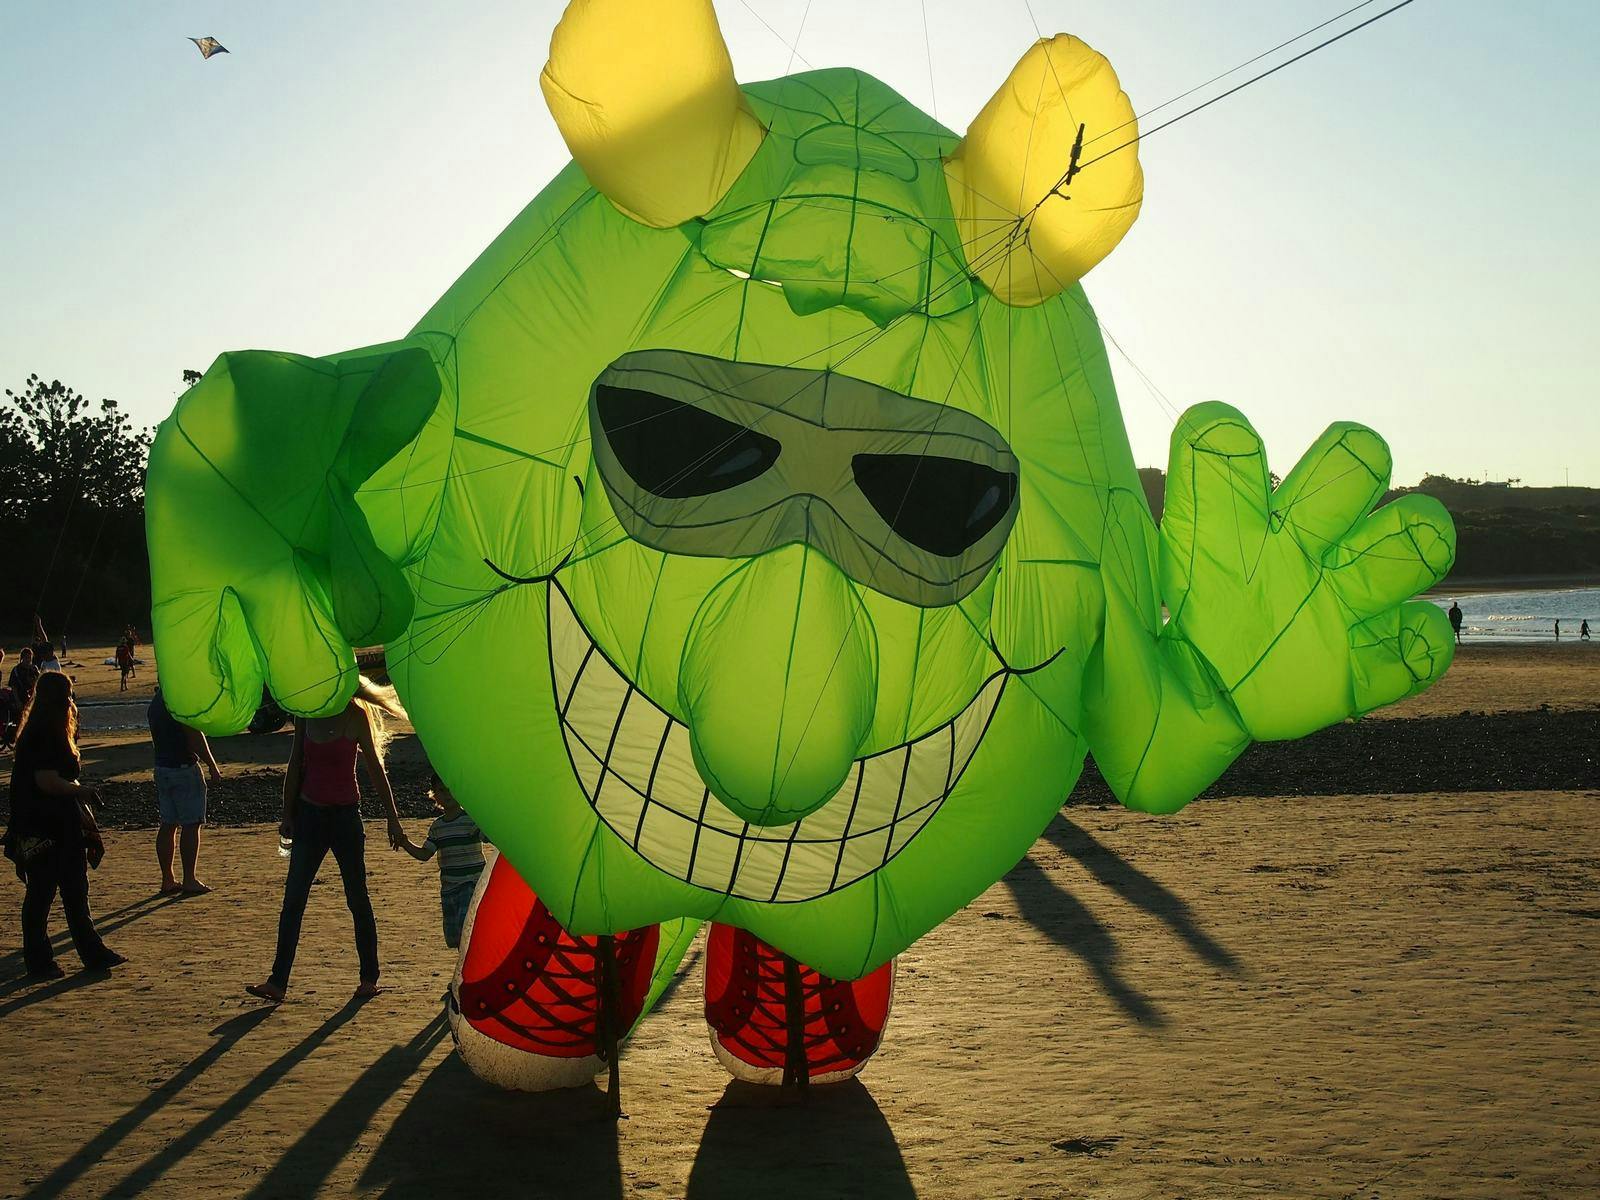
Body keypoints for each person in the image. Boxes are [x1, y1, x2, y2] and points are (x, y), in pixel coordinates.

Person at [247, 678, 406, 1003]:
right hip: (309, 817)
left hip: (345, 819)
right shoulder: (306, 715)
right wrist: (287, 814)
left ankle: (368, 978)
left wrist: (393, 817)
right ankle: (277, 982)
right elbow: (295, 764)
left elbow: (376, 768)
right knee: (294, 900)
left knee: (357, 898)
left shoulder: (355, 717)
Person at [2, 671, 124, 977]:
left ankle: (92, 952)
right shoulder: (42, 735)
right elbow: (47, 781)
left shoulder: (51, 730)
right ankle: (39, 961)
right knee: (42, 893)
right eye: (68, 695)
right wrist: (83, 791)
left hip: (60, 824)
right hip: (41, 826)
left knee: (74, 889)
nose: (72, 700)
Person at [396, 771, 486, 948]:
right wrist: (405, 843)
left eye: (450, 789)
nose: (447, 795)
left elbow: (489, 837)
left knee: (467, 931)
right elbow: (425, 854)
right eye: (441, 791)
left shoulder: (470, 820)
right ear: (435, 795)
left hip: (471, 884)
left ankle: (469, 970)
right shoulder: (438, 827)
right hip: (449, 888)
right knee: (454, 939)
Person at [147, 686, 223, 896]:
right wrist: (212, 765)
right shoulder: (178, 701)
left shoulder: (156, 703)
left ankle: (168, 879)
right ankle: (189, 879)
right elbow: (194, 737)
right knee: (191, 824)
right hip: (183, 769)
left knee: (169, 823)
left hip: (162, 768)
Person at [5, 648, 40, 749]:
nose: (28, 660)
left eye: (30, 658)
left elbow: (37, 684)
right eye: (26, 658)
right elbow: (14, 688)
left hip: (31, 699)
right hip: (19, 698)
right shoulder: (16, 670)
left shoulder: (33, 669)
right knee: (20, 719)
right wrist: (18, 701)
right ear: (22, 658)